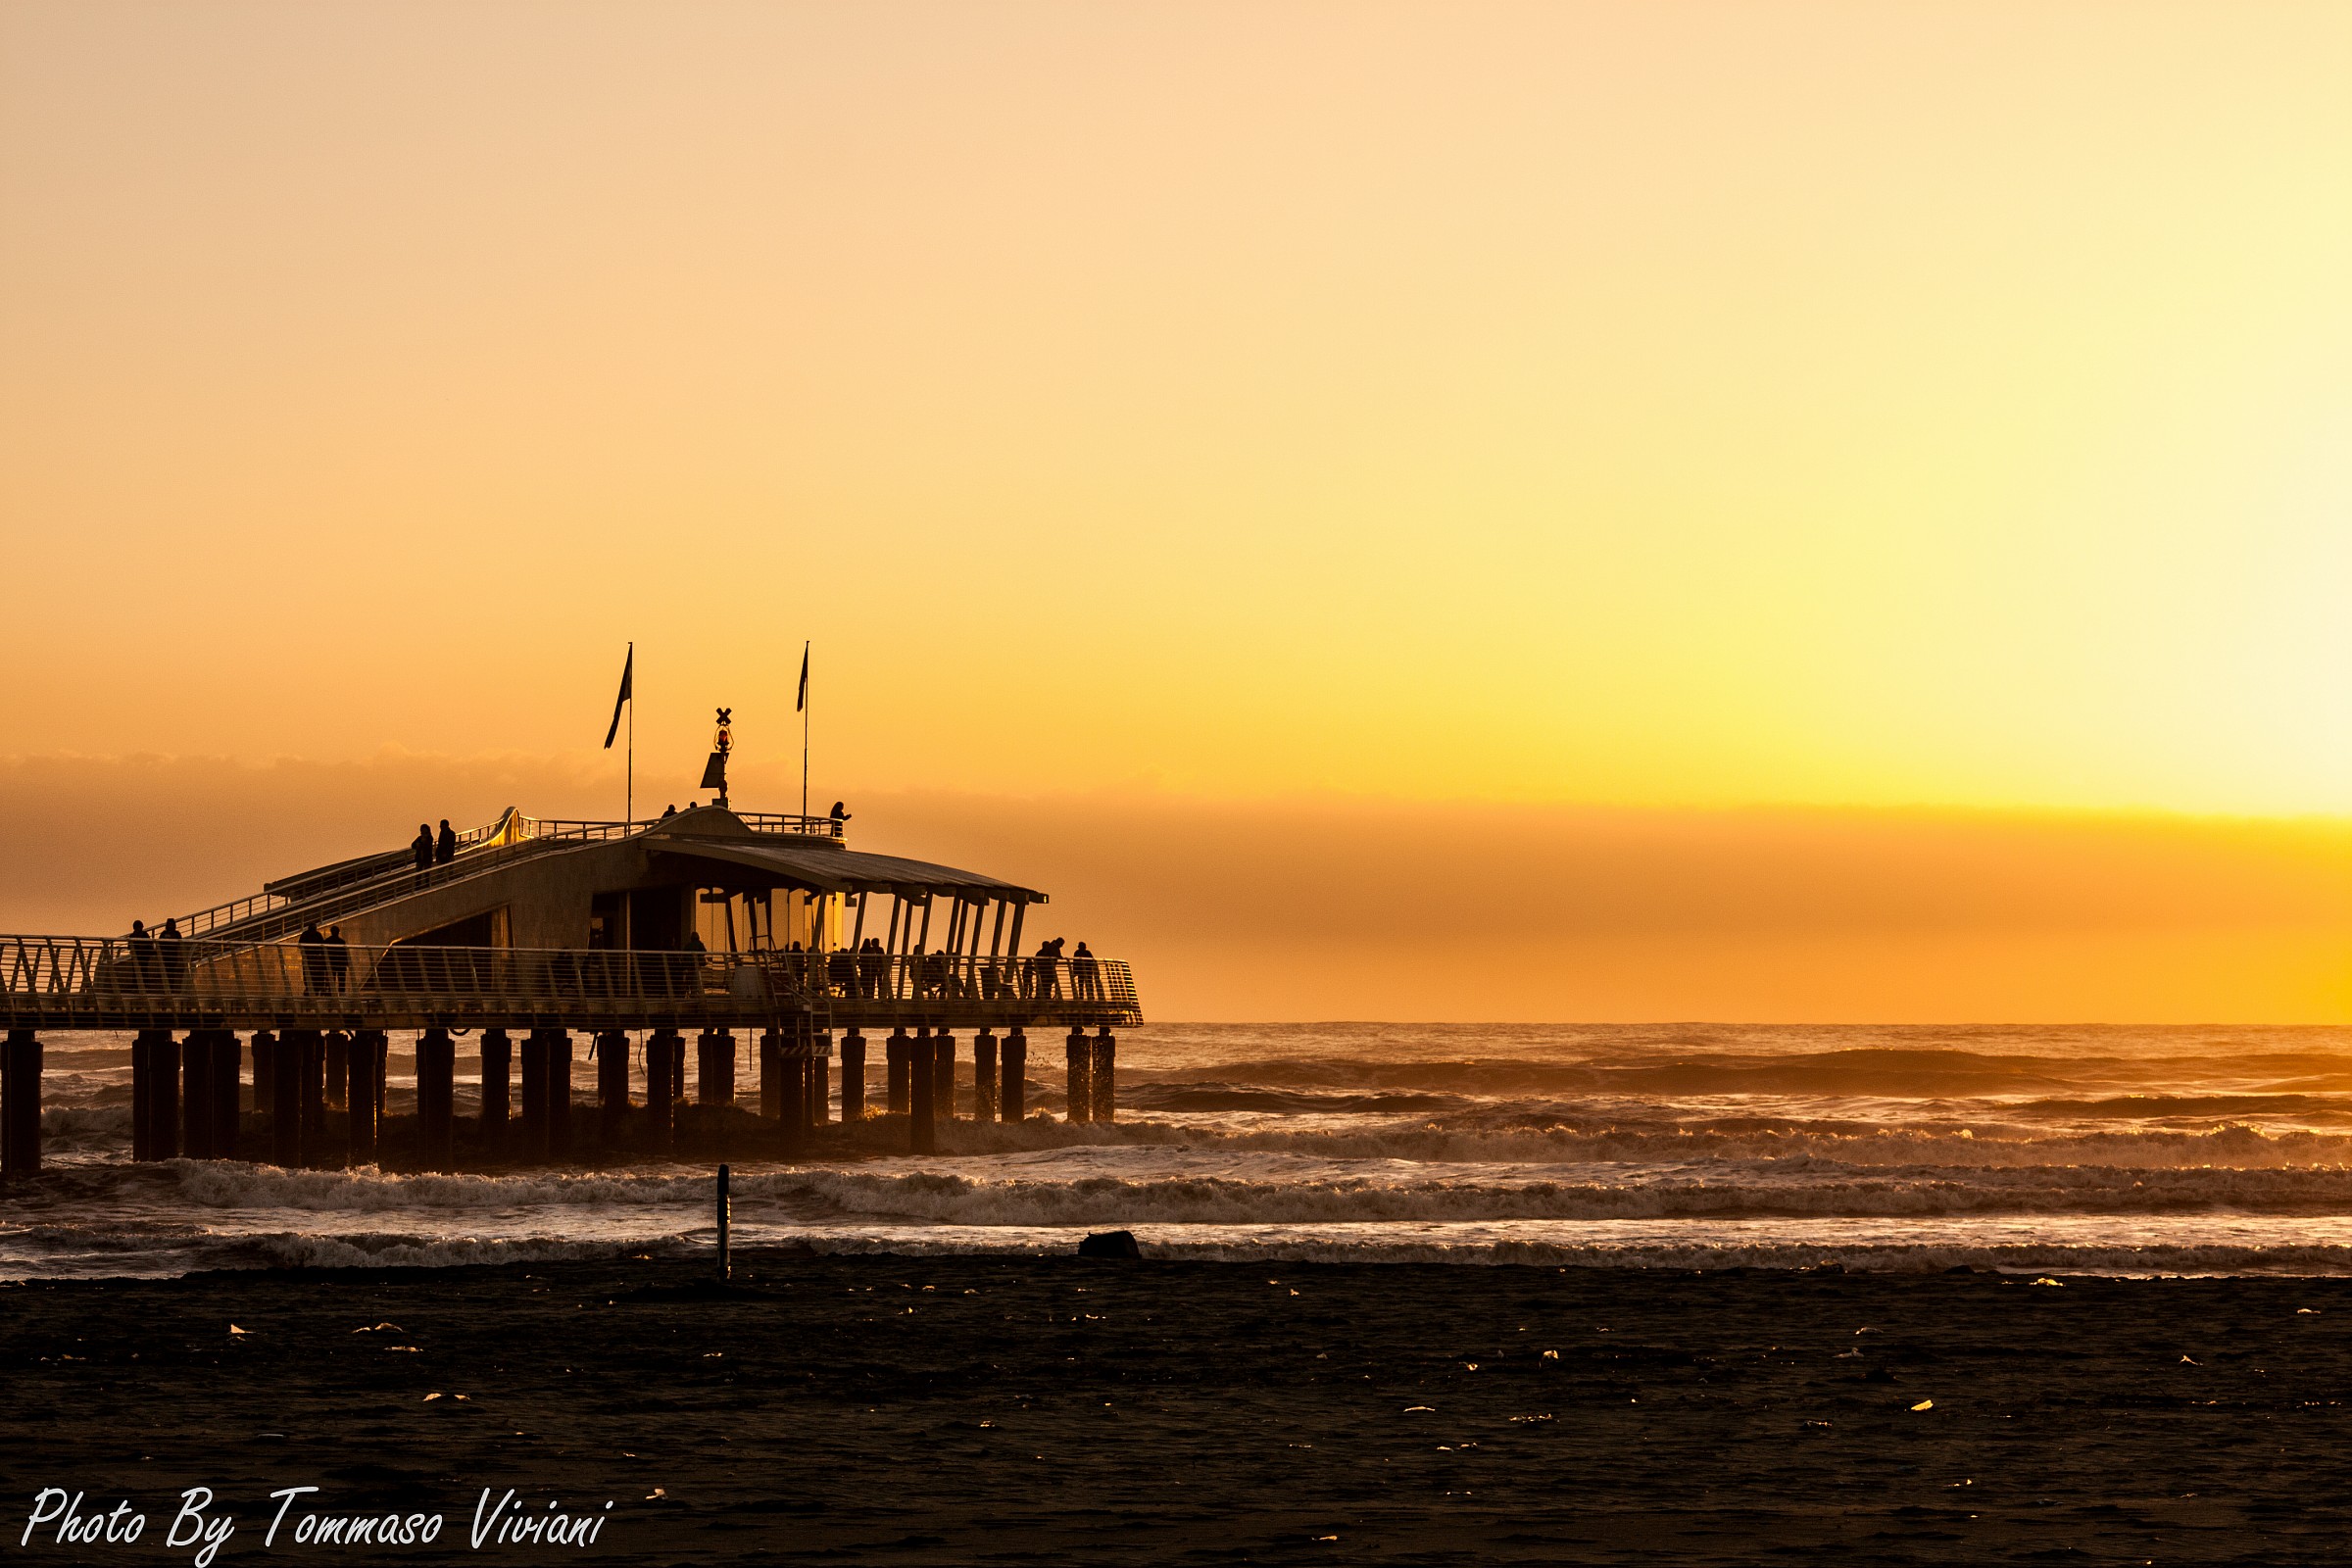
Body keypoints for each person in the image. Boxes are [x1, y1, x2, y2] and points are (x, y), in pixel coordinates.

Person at [299, 921, 330, 996]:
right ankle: (316, 989)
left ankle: (308, 988)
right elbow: (322, 946)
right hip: (316, 958)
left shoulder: (304, 934)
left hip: (307, 957)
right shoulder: (318, 934)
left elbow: (300, 944)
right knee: (317, 974)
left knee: (307, 973)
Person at [126, 919, 158, 994]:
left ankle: (144, 986)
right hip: (137, 956)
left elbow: (149, 944)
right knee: (136, 971)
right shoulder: (134, 935)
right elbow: (129, 946)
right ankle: (136, 986)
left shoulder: (143, 935)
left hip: (144, 956)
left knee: (143, 971)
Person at [157, 916, 186, 994]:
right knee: (166, 972)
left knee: (171, 973)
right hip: (165, 956)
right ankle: (167, 989)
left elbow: (180, 944)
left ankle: (171, 988)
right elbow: (159, 943)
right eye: (169, 924)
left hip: (173, 956)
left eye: (171, 924)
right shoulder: (164, 933)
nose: (170, 926)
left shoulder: (176, 934)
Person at [325, 925, 351, 995]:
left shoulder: (327, 941)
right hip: (341, 963)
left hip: (331, 963)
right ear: (338, 932)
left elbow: (324, 953)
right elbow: (345, 953)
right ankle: (342, 992)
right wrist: (347, 963)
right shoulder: (342, 941)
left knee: (331, 978)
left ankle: (331, 992)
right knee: (342, 979)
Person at [411, 822, 434, 886]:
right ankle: (417, 886)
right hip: (419, 858)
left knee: (426, 873)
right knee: (418, 873)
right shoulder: (420, 838)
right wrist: (417, 845)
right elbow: (413, 845)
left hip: (427, 859)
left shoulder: (430, 838)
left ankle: (427, 885)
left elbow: (426, 845)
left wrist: (419, 844)